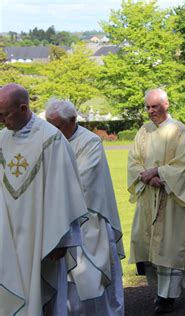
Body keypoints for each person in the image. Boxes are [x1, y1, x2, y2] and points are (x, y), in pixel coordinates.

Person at [0, 84, 87, 315]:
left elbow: (66, 192)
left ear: (23, 108)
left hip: (43, 237)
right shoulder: (2, 140)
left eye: (4, 115)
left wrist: (63, 240)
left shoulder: (52, 140)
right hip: (8, 237)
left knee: (47, 300)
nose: (2, 121)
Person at [45, 99, 125, 315]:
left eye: (57, 126)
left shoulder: (90, 143)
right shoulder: (49, 142)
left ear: (73, 120)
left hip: (88, 225)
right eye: (48, 124)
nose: (52, 131)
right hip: (57, 224)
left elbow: (81, 184)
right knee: (63, 292)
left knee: (90, 288)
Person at [128, 88, 185, 313]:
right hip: (149, 197)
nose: (150, 111)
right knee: (149, 244)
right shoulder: (144, 131)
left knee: (170, 246)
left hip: (172, 199)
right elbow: (133, 161)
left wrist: (160, 173)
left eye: (155, 107)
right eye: (148, 107)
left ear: (166, 104)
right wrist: (147, 177)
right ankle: (160, 291)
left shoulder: (179, 131)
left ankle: (168, 296)